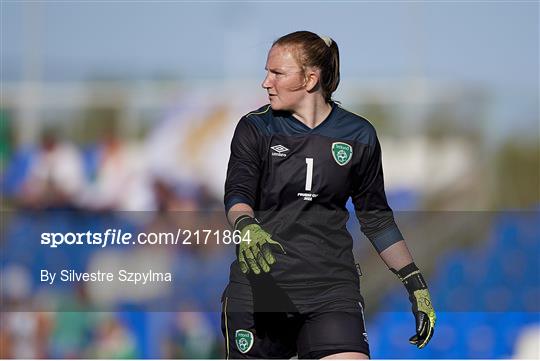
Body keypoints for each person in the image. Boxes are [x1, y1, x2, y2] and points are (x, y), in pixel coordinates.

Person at [222, 31, 436, 359]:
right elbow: (238, 195)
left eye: (277, 73)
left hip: (331, 291)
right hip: (259, 292)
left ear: (310, 78)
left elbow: (376, 218)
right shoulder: (254, 128)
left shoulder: (359, 135)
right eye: (267, 72)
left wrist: (414, 281)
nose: (266, 82)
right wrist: (246, 227)